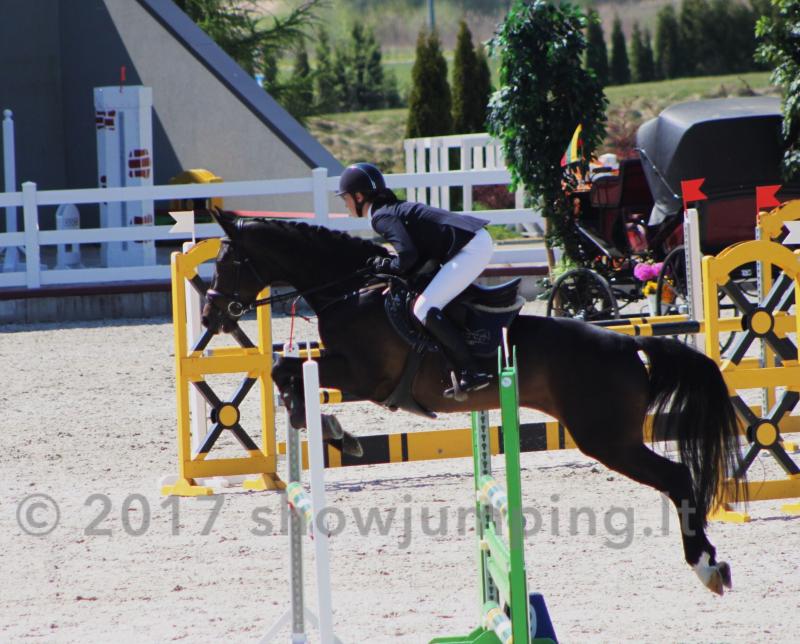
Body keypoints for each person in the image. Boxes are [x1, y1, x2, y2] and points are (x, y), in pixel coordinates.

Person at [337, 162, 494, 398]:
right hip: (470, 242)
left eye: (346, 198)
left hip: (471, 248)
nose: (345, 203)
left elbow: (408, 256)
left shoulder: (380, 216)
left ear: (359, 197)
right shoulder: (387, 210)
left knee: (424, 308)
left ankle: (472, 371)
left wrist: (386, 266)